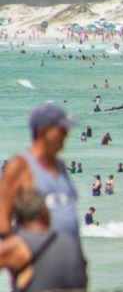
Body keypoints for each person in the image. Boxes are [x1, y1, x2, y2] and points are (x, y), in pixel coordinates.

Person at [0, 104, 81, 245]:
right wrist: (17, 256)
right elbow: (3, 216)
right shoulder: (20, 166)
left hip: (69, 260)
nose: (66, 134)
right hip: (37, 260)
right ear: (43, 131)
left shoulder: (60, 167)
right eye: (61, 129)